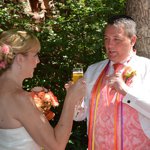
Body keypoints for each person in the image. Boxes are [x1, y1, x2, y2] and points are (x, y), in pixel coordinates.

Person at [0, 29, 86, 150]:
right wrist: (71, 99)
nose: (38, 61)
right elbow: (57, 145)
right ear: (20, 59)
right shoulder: (19, 98)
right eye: (35, 55)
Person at [74, 15, 150, 150]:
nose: (109, 45)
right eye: (106, 39)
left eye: (116, 39)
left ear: (132, 40)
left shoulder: (146, 68)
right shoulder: (93, 70)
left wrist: (125, 92)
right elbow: (78, 116)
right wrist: (73, 98)